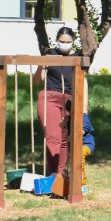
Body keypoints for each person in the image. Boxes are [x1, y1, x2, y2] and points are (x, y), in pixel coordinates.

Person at [40, 26, 81, 178]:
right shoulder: (50, 55)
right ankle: (53, 174)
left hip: (69, 100)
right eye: (61, 41)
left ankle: (60, 174)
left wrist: (83, 106)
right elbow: (38, 80)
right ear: (57, 41)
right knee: (54, 137)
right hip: (50, 97)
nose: (64, 44)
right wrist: (40, 67)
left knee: (64, 138)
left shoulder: (78, 57)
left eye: (67, 42)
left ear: (73, 41)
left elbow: (83, 81)